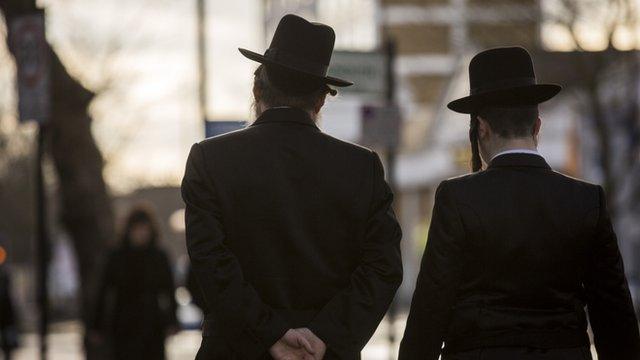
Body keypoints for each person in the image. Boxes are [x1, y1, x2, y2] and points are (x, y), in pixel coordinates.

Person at [181, 14, 403, 360]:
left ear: (257, 89)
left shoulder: (210, 160)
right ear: (321, 100)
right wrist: (324, 335)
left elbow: (211, 263)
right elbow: (384, 268)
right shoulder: (362, 168)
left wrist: (271, 333)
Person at [399, 47, 640, 360]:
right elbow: (614, 317)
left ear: (481, 128)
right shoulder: (585, 200)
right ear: (537, 126)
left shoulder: (457, 198)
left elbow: (430, 310)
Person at [91, 205, 178, 360]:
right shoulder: (116, 257)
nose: (141, 234)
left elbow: (169, 290)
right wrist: (97, 325)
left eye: (144, 229)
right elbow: (103, 290)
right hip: (124, 325)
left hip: (151, 324)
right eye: (137, 229)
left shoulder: (158, 257)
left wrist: (172, 320)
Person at [0, 246, 18, 359]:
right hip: (6, 316)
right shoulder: (6, 275)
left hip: (6, 316)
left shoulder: (5, 275)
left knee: (8, 345)